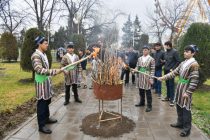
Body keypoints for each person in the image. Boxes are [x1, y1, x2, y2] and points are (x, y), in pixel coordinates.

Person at [157, 45, 199, 137]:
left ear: (193, 53)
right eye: (184, 51)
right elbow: (174, 73)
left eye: (187, 51)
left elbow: (194, 80)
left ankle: (186, 129)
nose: (185, 53)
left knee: (186, 108)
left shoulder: (194, 64)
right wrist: (162, 78)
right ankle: (180, 123)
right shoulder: (183, 63)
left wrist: (188, 92)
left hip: (186, 89)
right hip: (180, 87)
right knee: (179, 106)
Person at [31, 36, 62, 134]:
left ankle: (47, 118)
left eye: (47, 43)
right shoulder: (36, 55)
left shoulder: (43, 54)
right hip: (41, 84)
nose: (47, 45)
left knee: (47, 101)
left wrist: (58, 70)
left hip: (46, 82)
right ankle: (41, 125)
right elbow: (39, 70)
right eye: (45, 43)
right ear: (39, 44)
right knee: (42, 104)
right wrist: (54, 71)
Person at [134, 45, 155, 112]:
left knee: (148, 92)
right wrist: (135, 70)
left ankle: (149, 105)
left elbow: (152, 69)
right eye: (143, 50)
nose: (144, 51)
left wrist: (151, 78)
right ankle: (142, 102)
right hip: (140, 76)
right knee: (141, 91)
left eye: (146, 50)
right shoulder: (139, 58)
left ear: (148, 51)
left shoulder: (151, 59)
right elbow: (137, 66)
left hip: (147, 77)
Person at [162, 41, 181, 106]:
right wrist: (163, 62)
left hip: (171, 71)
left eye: (165, 45)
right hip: (166, 70)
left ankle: (172, 100)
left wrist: (173, 69)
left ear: (168, 45)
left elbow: (178, 61)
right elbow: (167, 61)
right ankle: (168, 97)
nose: (164, 46)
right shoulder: (165, 52)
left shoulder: (175, 52)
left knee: (171, 85)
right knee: (167, 84)